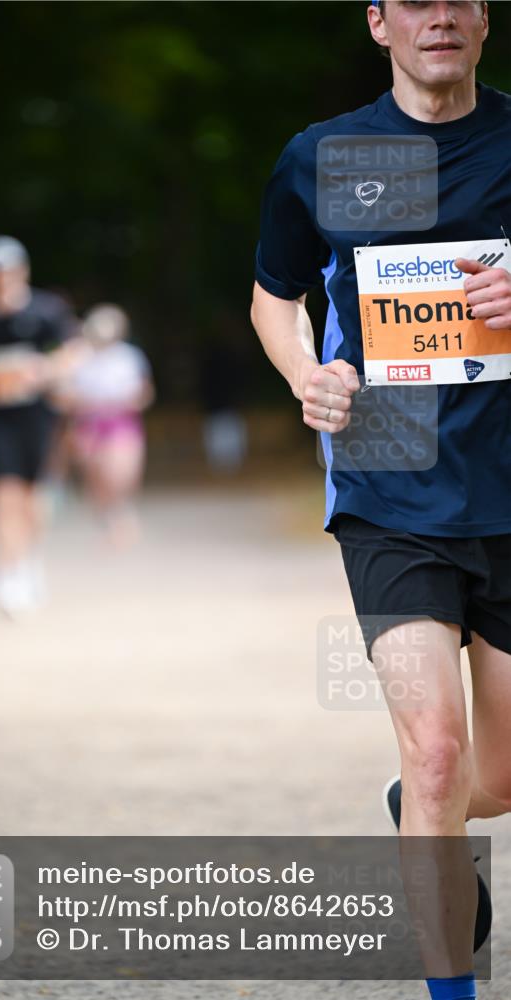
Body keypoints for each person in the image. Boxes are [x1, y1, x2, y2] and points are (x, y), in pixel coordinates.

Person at [251, 3, 510, 998]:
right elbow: (274, 294)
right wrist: (300, 375)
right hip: (388, 483)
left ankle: (421, 807)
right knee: (439, 751)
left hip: (508, 488)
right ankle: (452, 987)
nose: (437, 14)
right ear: (378, 23)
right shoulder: (324, 155)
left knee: (491, 775)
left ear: (483, 20)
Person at [0, 236, 74, 615]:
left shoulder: (46, 310)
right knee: (6, 496)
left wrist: (45, 371)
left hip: (39, 418)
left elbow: (73, 351)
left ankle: (30, 561)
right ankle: (10, 578)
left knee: (34, 501)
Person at [51, 304, 154, 549]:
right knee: (95, 477)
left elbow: (144, 393)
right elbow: (61, 394)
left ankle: (121, 515)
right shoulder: (77, 356)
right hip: (88, 423)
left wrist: (125, 401)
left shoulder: (129, 356)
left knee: (119, 474)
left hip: (121, 422)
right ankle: (111, 521)